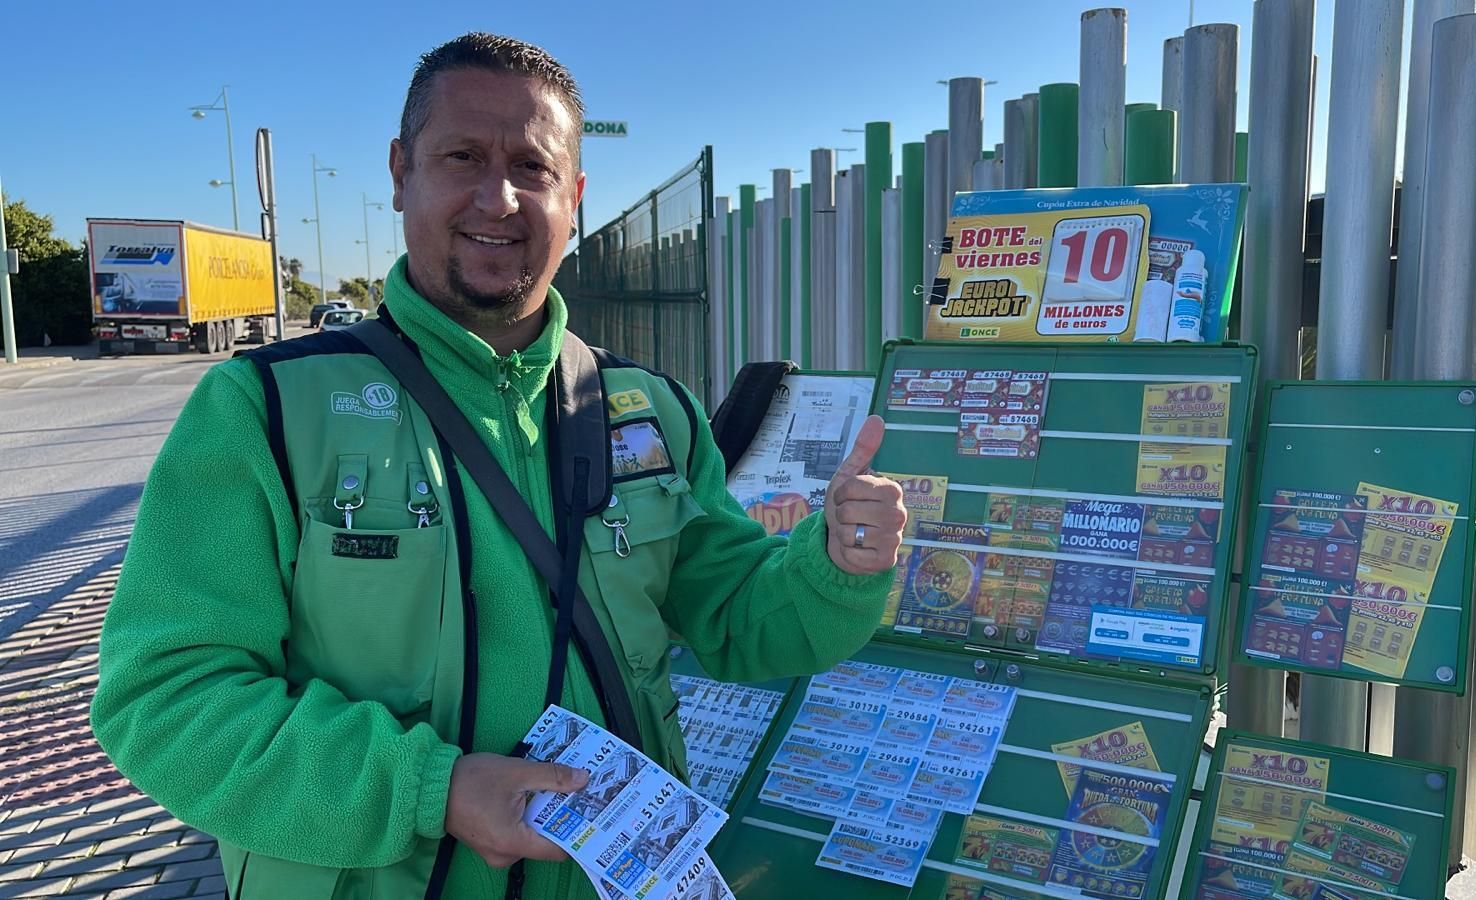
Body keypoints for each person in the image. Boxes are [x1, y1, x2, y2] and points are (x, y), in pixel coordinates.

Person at [90, 32, 906, 900]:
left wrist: (836, 565)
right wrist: (431, 790)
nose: (498, 195)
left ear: (576, 196)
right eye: (462, 156)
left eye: (532, 166)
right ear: (402, 172)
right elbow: (166, 700)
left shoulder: (655, 409)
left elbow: (741, 619)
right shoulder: (262, 409)